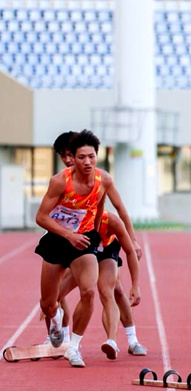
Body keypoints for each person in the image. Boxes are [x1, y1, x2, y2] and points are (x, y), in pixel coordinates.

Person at [35, 130, 140, 367]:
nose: (87, 162)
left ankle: (73, 347)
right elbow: (41, 217)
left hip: (83, 241)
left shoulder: (104, 181)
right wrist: (68, 235)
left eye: (91, 156)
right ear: (73, 158)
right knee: (48, 303)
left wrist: (126, 238)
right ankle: (54, 319)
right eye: (81, 157)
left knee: (90, 291)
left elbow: (114, 207)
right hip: (57, 239)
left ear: (97, 156)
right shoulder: (60, 181)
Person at [55, 210, 145, 359]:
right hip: (83, 249)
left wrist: (136, 285)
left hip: (106, 250)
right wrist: (50, 302)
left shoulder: (110, 220)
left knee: (109, 290)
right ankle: (62, 336)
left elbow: (130, 252)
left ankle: (123, 340)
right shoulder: (73, 220)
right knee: (59, 291)